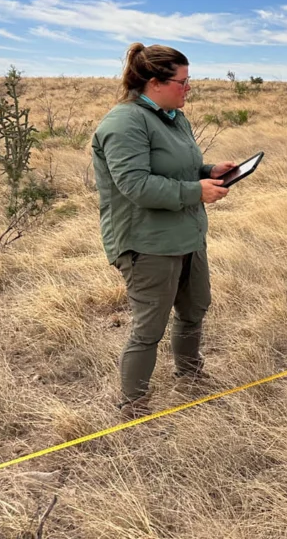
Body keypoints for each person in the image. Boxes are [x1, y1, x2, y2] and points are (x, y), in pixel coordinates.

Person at [91, 43, 237, 420]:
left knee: (194, 309)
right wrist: (196, 192)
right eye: (183, 82)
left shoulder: (174, 117)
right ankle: (134, 406)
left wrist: (208, 172)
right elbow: (135, 186)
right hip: (148, 243)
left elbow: (179, 167)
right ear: (154, 82)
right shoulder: (123, 123)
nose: (188, 89)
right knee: (148, 328)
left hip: (186, 234)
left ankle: (190, 375)